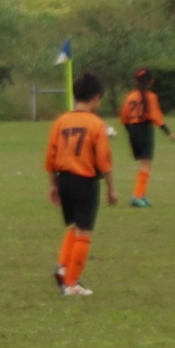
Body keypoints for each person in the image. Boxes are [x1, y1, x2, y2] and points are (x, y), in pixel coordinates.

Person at [45, 72, 118, 297]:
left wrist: (53, 186)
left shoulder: (61, 121)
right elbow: (104, 160)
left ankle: (62, 268)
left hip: (64, 179)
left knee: (76, 226)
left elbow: (51, 157)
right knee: (84, 230)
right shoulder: (96, 124)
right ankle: (72, 283)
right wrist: (111, 189)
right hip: (84, 181)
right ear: (95, 98)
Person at [120, 68, 175, 208]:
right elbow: (156, 116)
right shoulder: (151, 96)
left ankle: (141, 194)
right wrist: (168, 132)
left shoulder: (130, 96)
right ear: (150, 81)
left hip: (133, 129)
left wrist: (130, 132)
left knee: (143, 163)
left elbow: (124, 117)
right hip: (144, 129)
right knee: (146, 164)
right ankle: (137, 196)